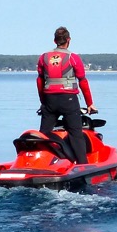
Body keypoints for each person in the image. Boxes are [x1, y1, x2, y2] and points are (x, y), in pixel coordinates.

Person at [37, 26, 97, 165]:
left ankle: (43, 163)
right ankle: (83, 165)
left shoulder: (44, 57)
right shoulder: (72, 58)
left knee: (43, 134)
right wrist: (90, 104)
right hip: (68, 100)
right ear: (68, 40)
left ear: (54, 40)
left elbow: (40, 80)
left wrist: (43, 101)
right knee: (76, 135)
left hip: (49, 100)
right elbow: (83, 81)